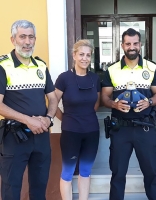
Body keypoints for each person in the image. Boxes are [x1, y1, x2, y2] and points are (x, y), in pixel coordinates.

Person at [101, 28, 156, 200]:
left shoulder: (151, 68)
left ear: (140, 45)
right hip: (120, 129)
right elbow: (104, 96)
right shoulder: (112, 70)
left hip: (146, 127)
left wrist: (149, 102)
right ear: (122, 46)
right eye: (128, 44)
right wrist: (114, 103)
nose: (132, 47)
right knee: (118, 174)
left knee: (151, 172)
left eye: (135, 43)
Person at [0, 20, 58, 200]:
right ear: (13, 39)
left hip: (41, 135)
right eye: (22, 36)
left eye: (30, 37)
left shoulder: (41, 65)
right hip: (14, 137)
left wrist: (48, 118)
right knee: (11, 188)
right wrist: (28, 120)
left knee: (40, 188)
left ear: (35, 39)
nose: (27, 42)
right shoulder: (3, 66)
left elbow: (53, 98)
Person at [55, 39, 100, 200]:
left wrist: (85, 116)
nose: (84, 58)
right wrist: (67, 118)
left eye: (88, 55)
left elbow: (96, 102)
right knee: (67, 172)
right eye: (81, 54)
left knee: (86, 171)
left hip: (92, 131)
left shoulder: (95, 79)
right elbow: (53, 103)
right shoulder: (64, 78)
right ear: (74, 55)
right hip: (70, 132)